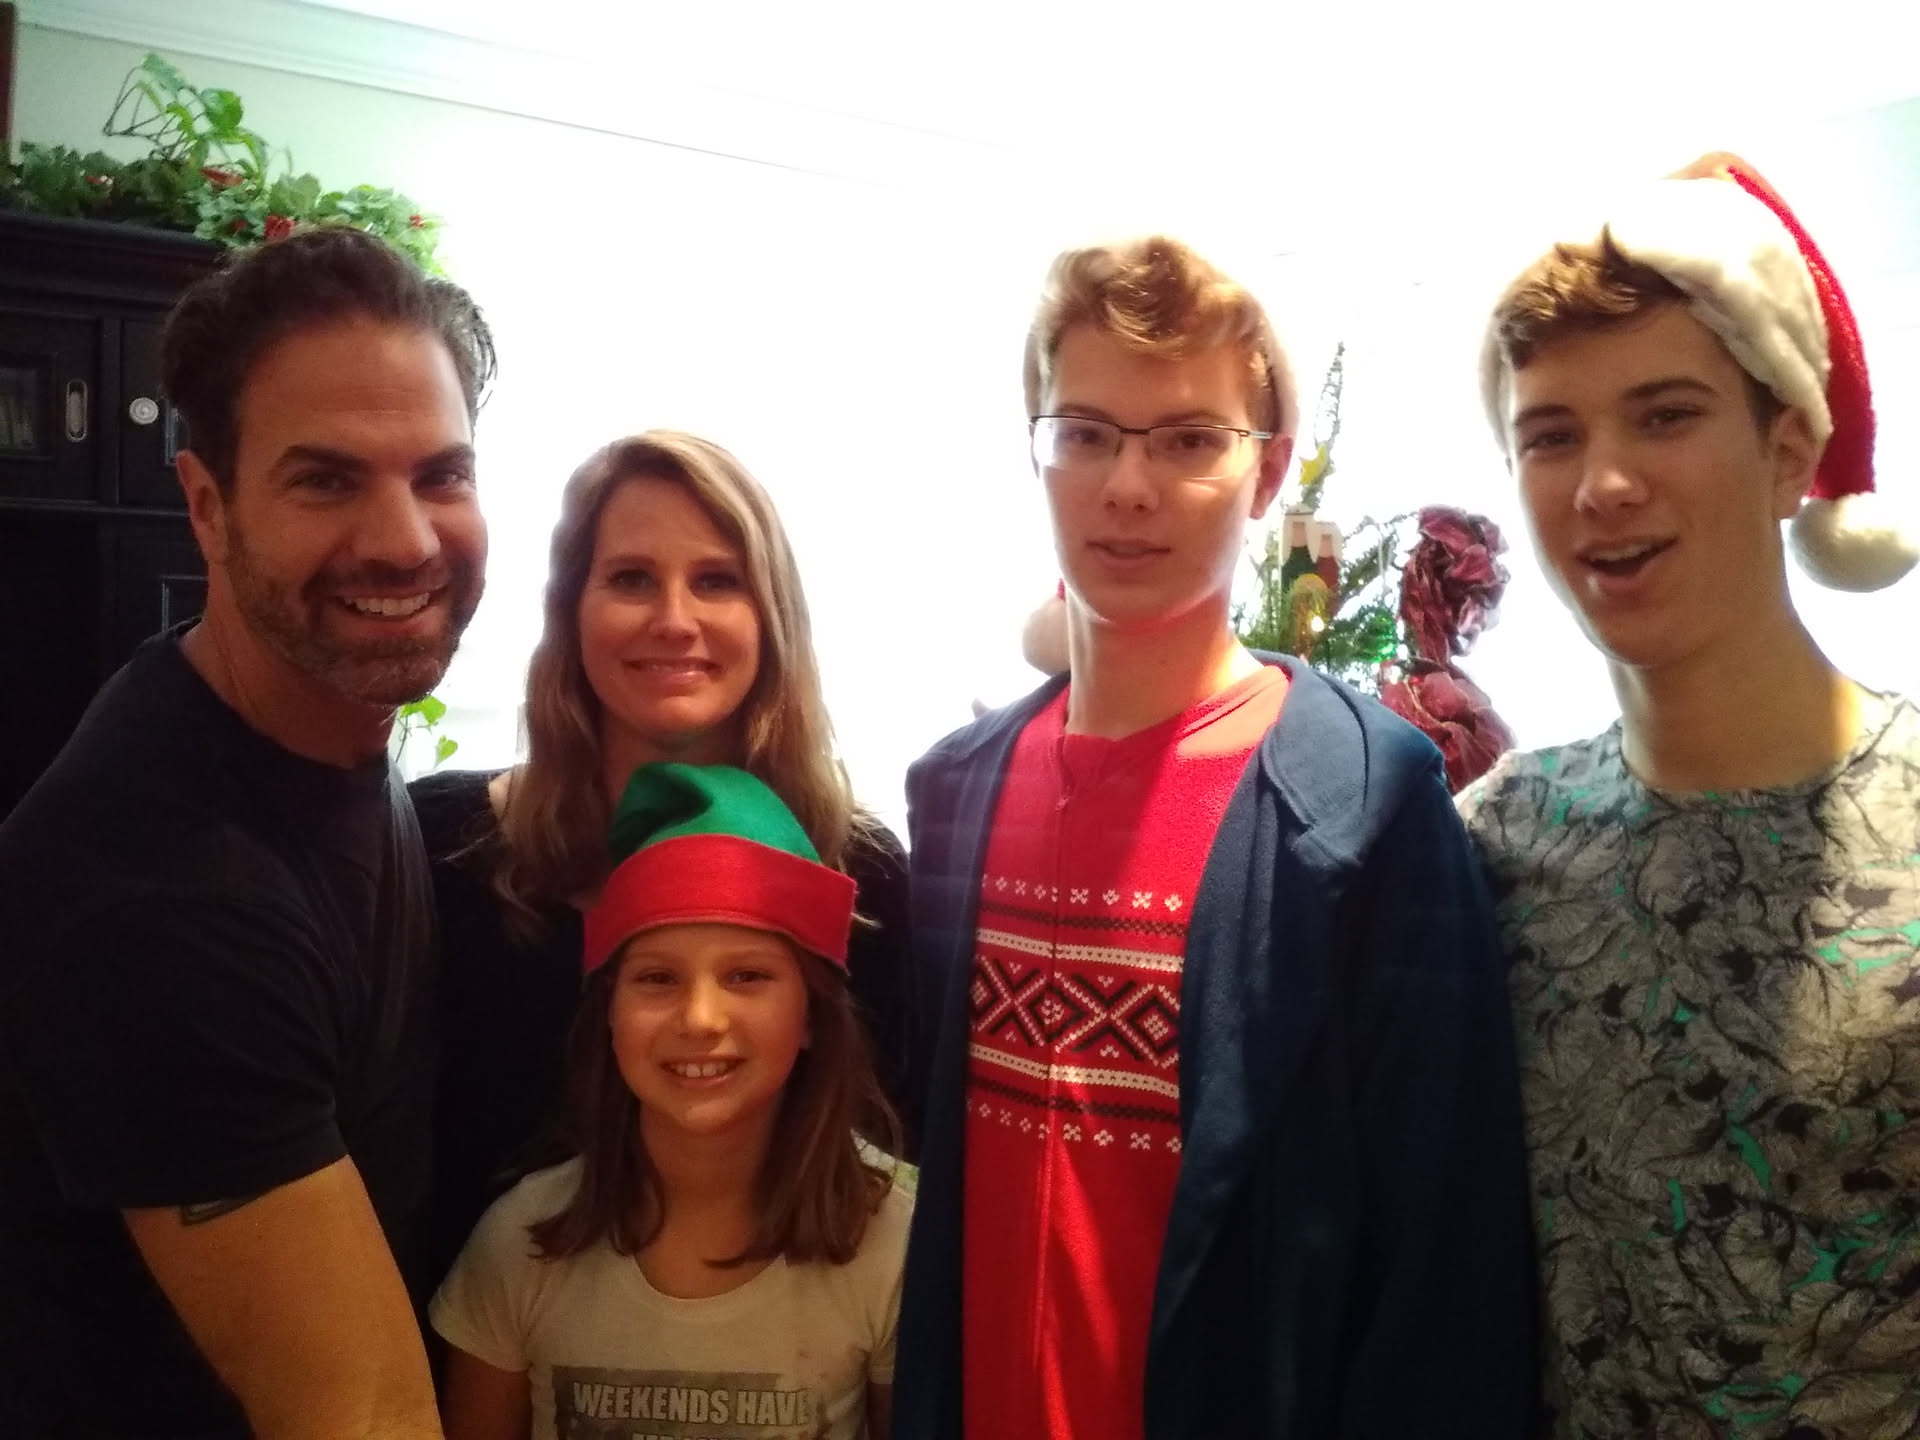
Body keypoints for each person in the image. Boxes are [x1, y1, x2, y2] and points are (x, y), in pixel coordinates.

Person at [893, 235, 1537, 1440]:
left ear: (1267, 468)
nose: (1128, 486)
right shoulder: (952, 799)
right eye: (1086, 433)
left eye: (1189, 440)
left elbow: (1445, 1281)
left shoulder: (1367, 806)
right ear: (1036, 448)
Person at [0, 226, 494, 1439]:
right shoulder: (157, 896)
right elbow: (362, 1416)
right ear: (208, 507)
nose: (405, 539)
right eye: (326, 480)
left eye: (441, 474)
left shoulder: (304, 726)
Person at [1461, 152, 1920, 1437]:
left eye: (1665, 415)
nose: (1603, 483)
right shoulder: (1491, 847)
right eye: (1551, 435)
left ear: (1789, 455)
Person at [412, 430, 912, 1297]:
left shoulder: (862, 878)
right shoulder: (442, 848)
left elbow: (891, 1165)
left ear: (771, 616)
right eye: (632, 578)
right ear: (572, 609)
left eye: (716, 580)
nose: (675, 620)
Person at [431, 762, 910, 1440]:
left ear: (811, 1014)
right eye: (657, 978)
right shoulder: (519, 1247)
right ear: (610, 1012)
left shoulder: (890, 1251)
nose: (701, 1018)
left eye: (747, 976)